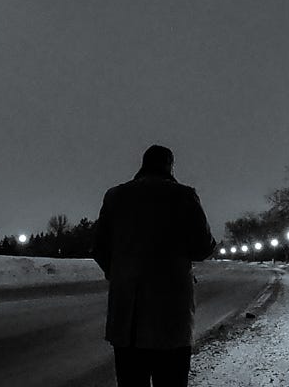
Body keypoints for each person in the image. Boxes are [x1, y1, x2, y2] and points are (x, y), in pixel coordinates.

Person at [92, 145, 217, 387]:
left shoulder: (115, 196)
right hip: (171, 316)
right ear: (170, 165)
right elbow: (203, 247)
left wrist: (118, 273)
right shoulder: (184, 195)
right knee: (171, 380)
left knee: (130, 380)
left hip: (127, 317)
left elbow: (99, 247)